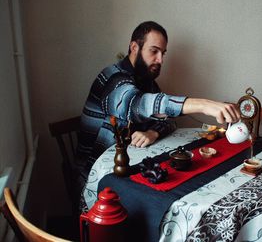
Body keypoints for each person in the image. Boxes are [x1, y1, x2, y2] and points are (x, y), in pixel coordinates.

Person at [76, 21, 240, 211]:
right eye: (154, 51)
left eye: (163, 53)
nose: (160, 60)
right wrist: (203, 105)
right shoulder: (112, 78)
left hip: (130, 166)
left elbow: (168, 120)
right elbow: (136, 104)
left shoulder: (146, 81)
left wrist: (153, 132)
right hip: (96, 175)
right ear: (134, 47)